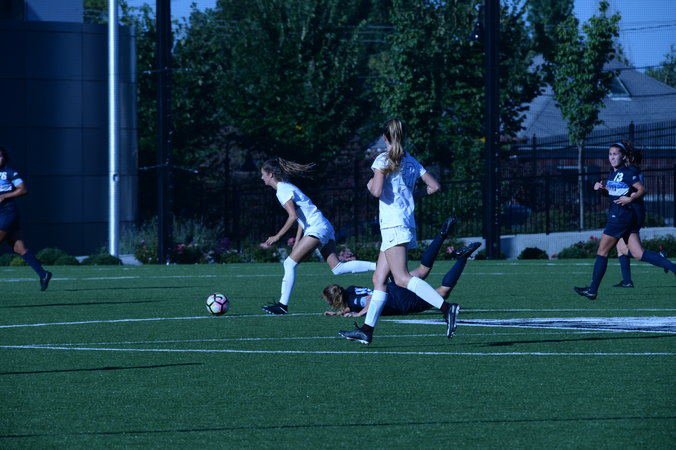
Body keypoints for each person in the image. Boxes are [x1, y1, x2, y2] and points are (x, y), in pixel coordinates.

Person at [339, 118, 459, 345]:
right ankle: (367, 331)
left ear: (385, 137)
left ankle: (446, 308)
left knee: (402, 278)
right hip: (402, 224)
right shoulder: (410, 160)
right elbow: (434, 187)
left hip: (393, 225)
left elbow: (376, 191)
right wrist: (411, 196)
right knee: (379, 278)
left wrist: (369, 185)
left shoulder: (383, 159)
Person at [260, 157, 376, 315]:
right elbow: (301, 218)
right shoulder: (287, 187)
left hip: (317, 228)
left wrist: (277, 236)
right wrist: (298, 240)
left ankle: (282, 306)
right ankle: (380, 268)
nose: (262, 177)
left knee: (289, 264)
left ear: (271, 174)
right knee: (337, 268)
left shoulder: (282, 190)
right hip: (322, 226)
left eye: (263, 174)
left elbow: (293, 216)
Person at [574, 141, 675, 299]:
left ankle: (592, 290)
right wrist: (601, 189)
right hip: (624, 217)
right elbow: (612, 194)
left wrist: (630, 199)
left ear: (623, 156)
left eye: (615, 154)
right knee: (638, 253)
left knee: (602, 251)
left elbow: (642, 189)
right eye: (610, 154)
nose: (612, 157)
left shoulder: (627, 172)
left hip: (619, 217)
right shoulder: (613, 172)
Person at [323, 220, 480, 317]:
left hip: (399, 302)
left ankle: (463, 258)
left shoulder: (354, 300)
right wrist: (339, 312)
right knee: (423, 270)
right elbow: (353, 304)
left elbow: (369, 300)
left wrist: (360, 314)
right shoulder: (351, 290)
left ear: (334, 300)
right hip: (393, 287)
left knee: (442, 292)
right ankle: (441, 235)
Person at [0, 147, 52, 291]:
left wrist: (4, 196)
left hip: (8, 213)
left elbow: (23, 189)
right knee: (20, 248)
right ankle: (43, 274)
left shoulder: (10, 172)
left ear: (5, 158)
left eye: (0, 156)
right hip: (3, 215)